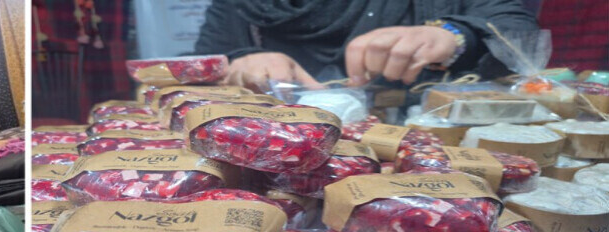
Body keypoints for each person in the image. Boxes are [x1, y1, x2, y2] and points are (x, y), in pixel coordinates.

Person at [194, 0, 540, 91]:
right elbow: (200, 64)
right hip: (282, 164)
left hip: (427, 160)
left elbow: (519, 31)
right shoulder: (245, 5)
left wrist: (453, 36)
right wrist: (243, 61)